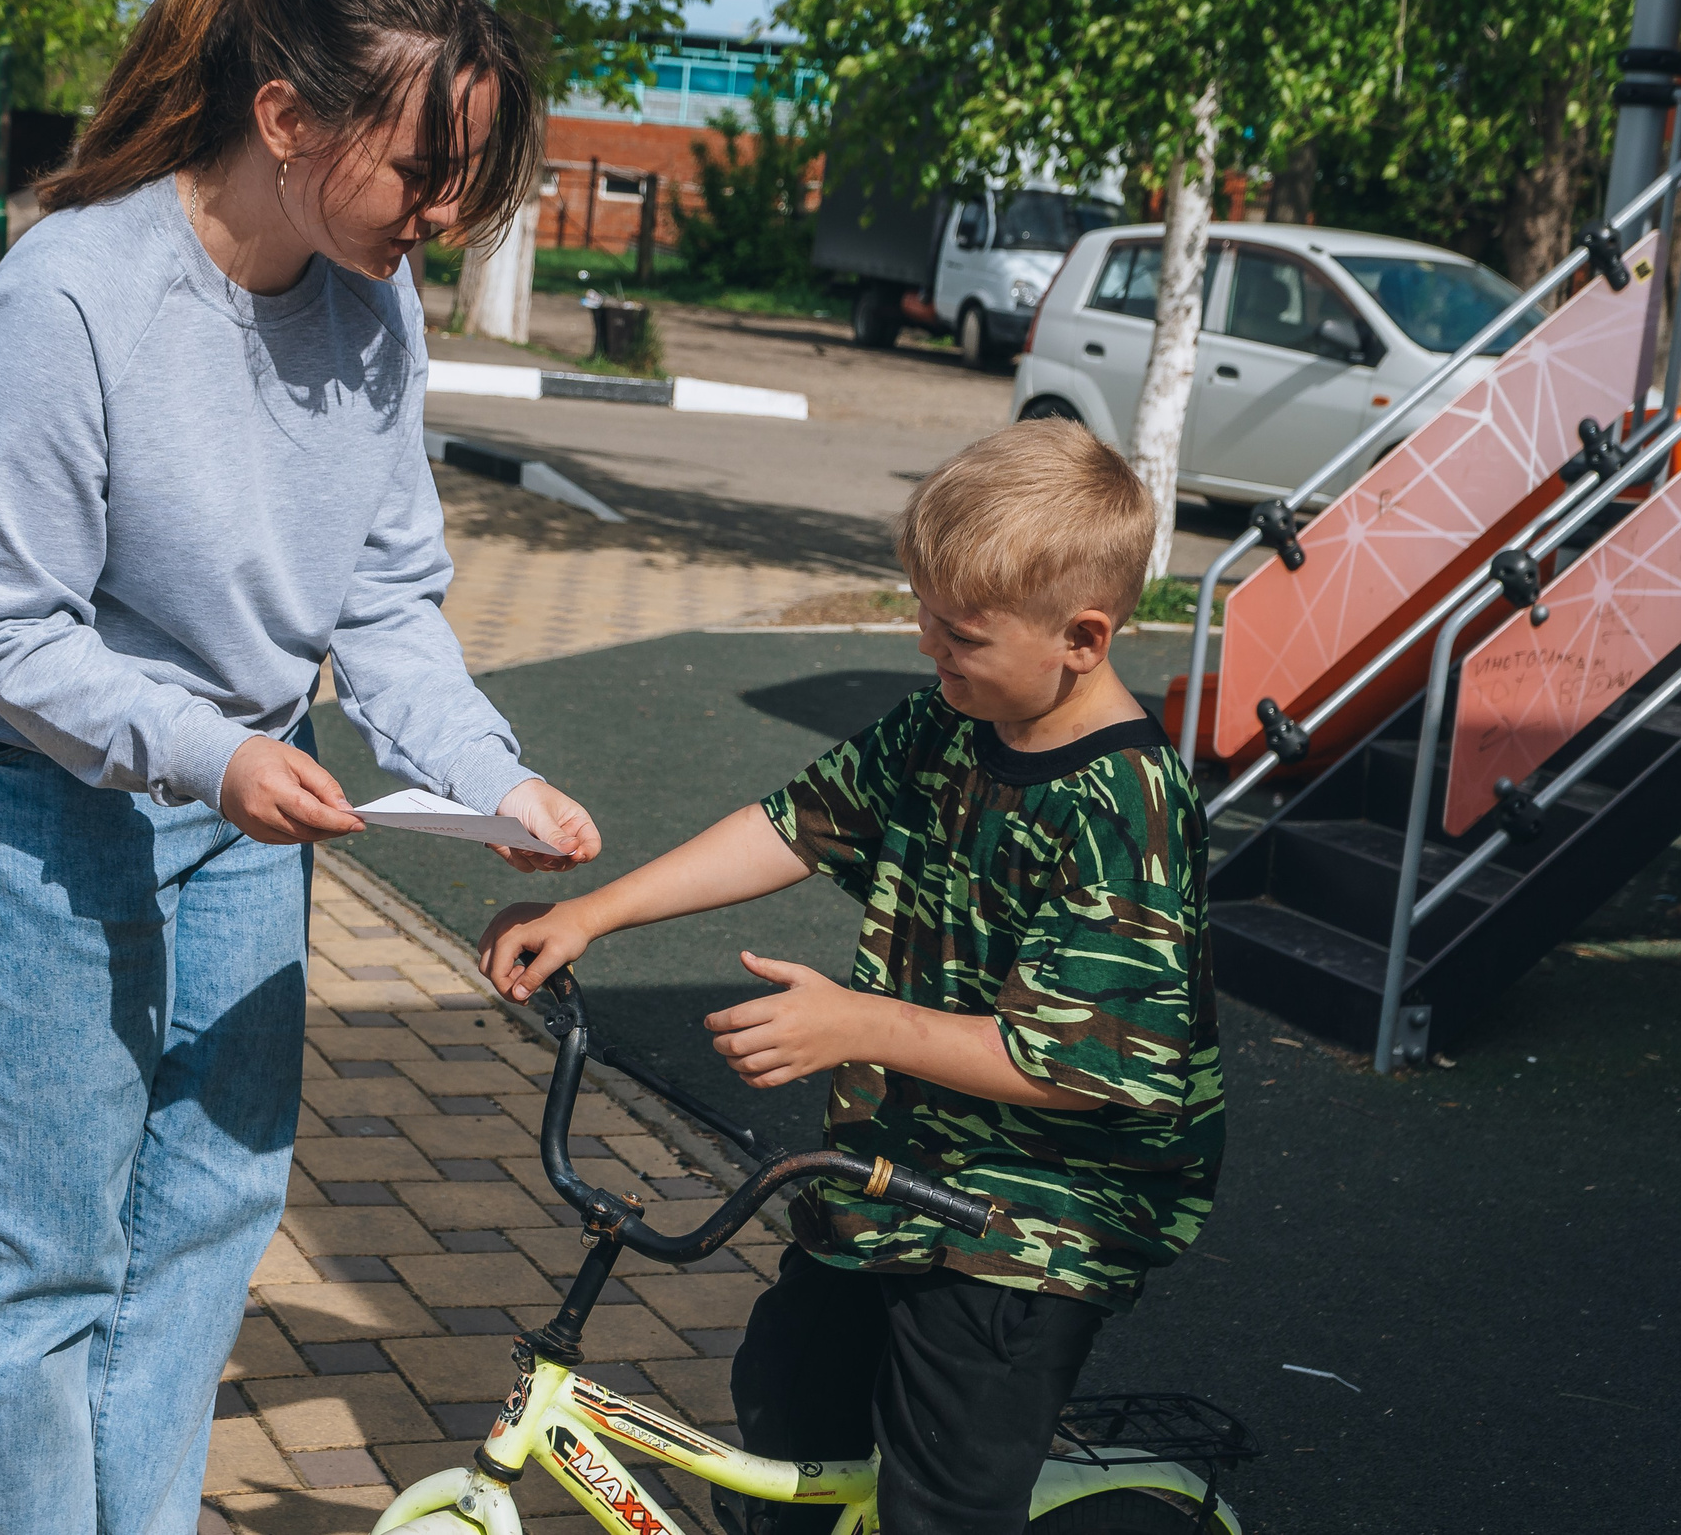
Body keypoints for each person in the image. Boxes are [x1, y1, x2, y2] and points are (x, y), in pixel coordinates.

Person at [0, 0, 602, 1535]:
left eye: (465, 180)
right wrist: (208, 749)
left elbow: (383, 600)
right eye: (423, 173)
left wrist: (493, 776)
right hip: (44, 799)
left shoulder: (380, 307)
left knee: (217, 1206)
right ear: (287, 117)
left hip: (245, 811)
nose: (439, 217)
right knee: (39, 1258)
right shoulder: (75, 292)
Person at [478, 422, 1224, 1535]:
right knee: (788, 1402)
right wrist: (593, 911)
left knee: (942, 1498)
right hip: (897, 1172)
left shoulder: (1122, 809)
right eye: (922, 612)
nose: (928, 643)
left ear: (1082, 637)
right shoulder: (952, 720)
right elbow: (793, 825)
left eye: (959, 631)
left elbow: (1076, 1067)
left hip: (1032, 1216)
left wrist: (856, 1025)